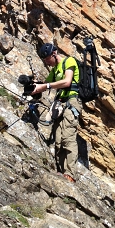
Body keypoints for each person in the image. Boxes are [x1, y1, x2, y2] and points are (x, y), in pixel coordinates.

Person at [31, 43, 82, 182]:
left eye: (47, 58)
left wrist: (45, 85)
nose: (46, 62)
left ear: (54, 54)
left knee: (68, 137)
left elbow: (66, 82)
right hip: (60, 104)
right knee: (58, 139)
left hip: (71, 102)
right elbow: (43, 85)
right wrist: (33, 85)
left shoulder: (68, 61)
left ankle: (70, 174)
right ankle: (61, 171)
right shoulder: (55, 70)